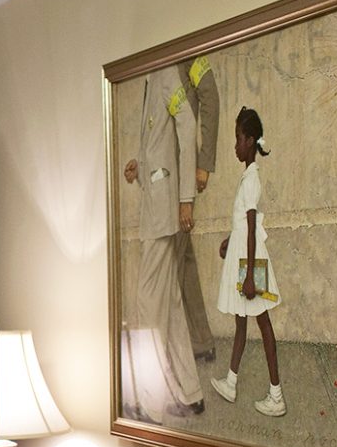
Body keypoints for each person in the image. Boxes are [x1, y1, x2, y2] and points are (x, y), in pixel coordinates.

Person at [122, 56, 219, 422]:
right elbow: (160, 139)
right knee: (173, 305)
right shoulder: (154, 74)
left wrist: (185, 199)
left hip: (164, 211)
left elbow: (187, 121)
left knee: (148, 303)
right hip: (159, 204)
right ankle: (191, 394)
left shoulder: (162, 70)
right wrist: (140, 166)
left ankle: (148, 403)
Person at [209, 107, 284, 417]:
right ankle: (231, 381)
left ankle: (276, 395)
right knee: (242, 321)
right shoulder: (247, 176)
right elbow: (242, 225)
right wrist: (229, 240)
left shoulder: (252, 179)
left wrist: (251, 274)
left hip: (252, 262)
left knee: (263, 323)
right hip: (245, 256)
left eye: (239, 139)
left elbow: (252, 227)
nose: (235, 145)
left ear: (251, 140)